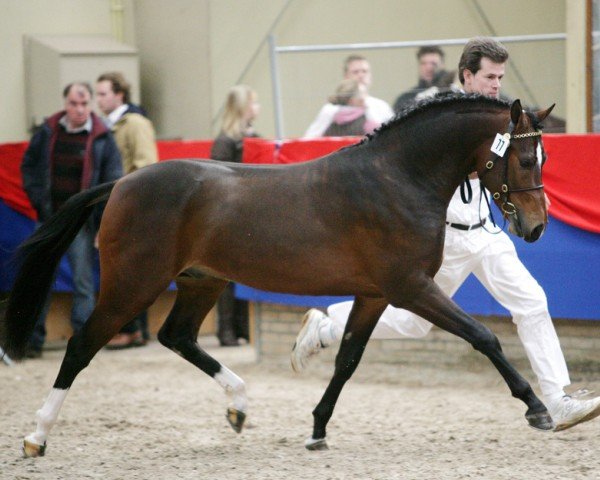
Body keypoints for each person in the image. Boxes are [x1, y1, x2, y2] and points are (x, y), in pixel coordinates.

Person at [291, 36, 600, 432]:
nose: (496, 84)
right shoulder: (438, 111)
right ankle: (330, 324)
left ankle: (557, 400)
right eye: (489, 76)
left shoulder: (503, 114)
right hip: (446, 237)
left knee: (532, 302)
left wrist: (530, 195)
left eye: (500, 76)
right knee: (413, 323)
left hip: (485, 232)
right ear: (467, 74)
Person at [21, 82, 123, 358]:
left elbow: (113, 180)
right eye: (73, 104)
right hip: (49, 218)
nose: (79, 110)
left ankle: (84, 343)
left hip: (81, 222)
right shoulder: (47, 131)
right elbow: (28, 166)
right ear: (65, 103)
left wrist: (100, 220)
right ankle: (32, 341)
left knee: (83, 282)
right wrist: (38, 199)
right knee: (40, 279)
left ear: (90, 104)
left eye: (84, 104)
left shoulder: (102, 137)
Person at [95, 72, 159, 349]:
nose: (99, 99)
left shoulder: (133, 123)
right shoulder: (107, 125)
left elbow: (146, 164)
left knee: (130, 270)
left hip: (132, 204)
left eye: (103, 93)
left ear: (120, 94)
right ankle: (134, 329)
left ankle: (133, 329)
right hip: (117, 201)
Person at [210, 84, 260, 346]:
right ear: (243, 107)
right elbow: (217, 181)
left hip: (251, 216)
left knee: (246, 273)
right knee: (225, 277)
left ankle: (244, 328)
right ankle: (226, 330)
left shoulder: (254, 137)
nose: (257, 108)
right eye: (254, 102)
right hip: (230, 218)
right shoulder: (225, 142)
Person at [304, 55, 394, 138]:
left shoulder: (381, 106)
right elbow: (311, 137)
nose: (361, 75)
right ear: (346, 76)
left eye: (365, 71)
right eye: (355, 72)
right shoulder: (331, 110)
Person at [393, 45, 445, 113]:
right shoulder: (406, 97)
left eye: (433, 63)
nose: (428, 68)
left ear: (442, 65)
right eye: (423, 63)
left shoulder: (450, 91)